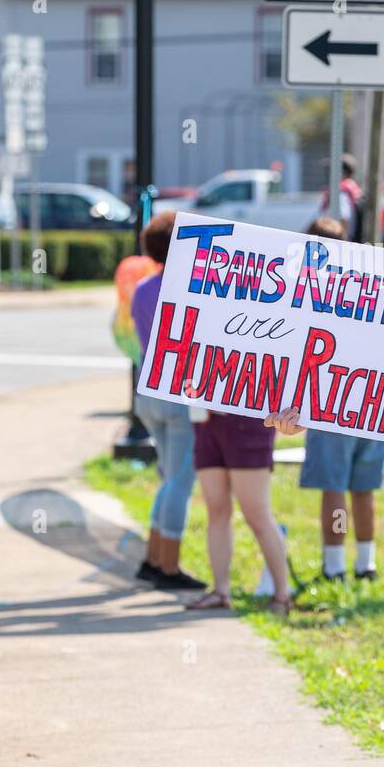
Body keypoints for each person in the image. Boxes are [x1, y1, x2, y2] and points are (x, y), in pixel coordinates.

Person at [297, 216, 384, 582]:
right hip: (371, 399)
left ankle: (333, 565)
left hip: (330, 400)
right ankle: (366, 563)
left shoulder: (309, 292)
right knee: (363, 487)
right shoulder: (369, 287)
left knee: (333, 487)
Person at [131, 212, 206, 591]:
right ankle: (168, 566)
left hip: (148, 389)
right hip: (180, 394)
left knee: (166, 477)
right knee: (179, 481)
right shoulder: (189, 289)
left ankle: (153, 558)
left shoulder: (142, 289)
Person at [182, 399, 292, 617]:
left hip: (247, 419)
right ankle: (220, 590)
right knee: (216, 511)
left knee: (257, 515)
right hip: (205, 419)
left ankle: (282, 596)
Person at [320, 153, 364, 242]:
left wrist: (340, 243)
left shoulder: (341, 192)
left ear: (343, 172)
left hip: (341, 243)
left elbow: (344, 218)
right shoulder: (352, 187)